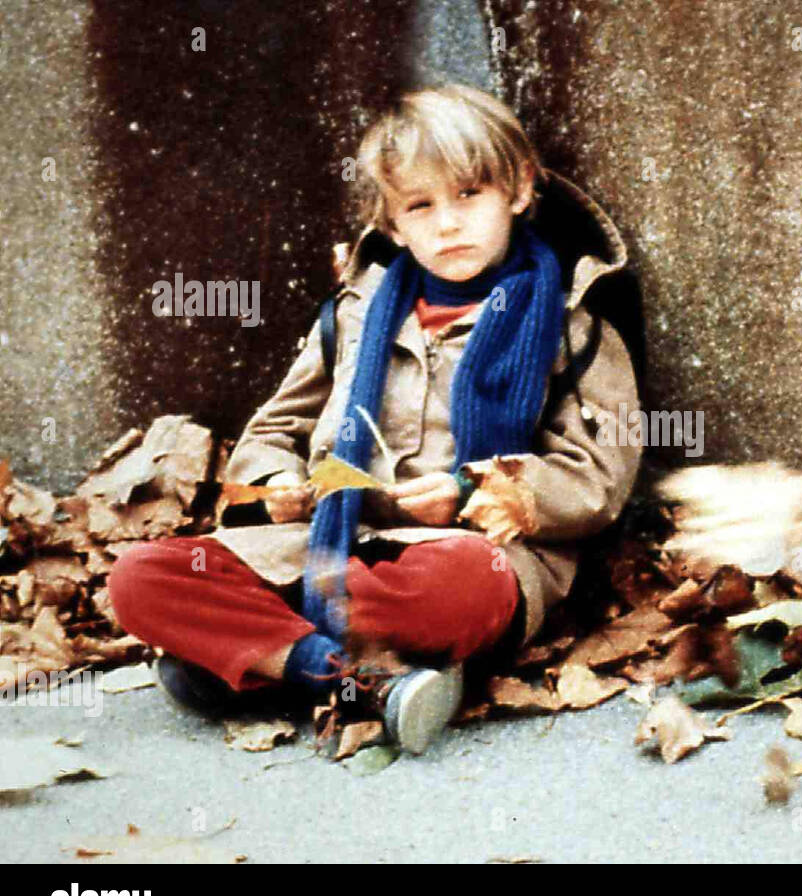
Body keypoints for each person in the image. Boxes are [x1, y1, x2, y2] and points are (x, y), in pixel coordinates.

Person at [106, 84, 643, 755]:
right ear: (392, 223)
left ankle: (260, 655)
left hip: (460, 557)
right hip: (327, 541)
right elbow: (274, 431)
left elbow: (598, 477)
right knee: (140, 577)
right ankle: (355, 678)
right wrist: (279, 488)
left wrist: (477, 491)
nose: (448, 223)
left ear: (519, 187)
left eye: (470, 194)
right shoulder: (355, 315)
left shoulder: (571, 325)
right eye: (421, 205)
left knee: (451, 593)